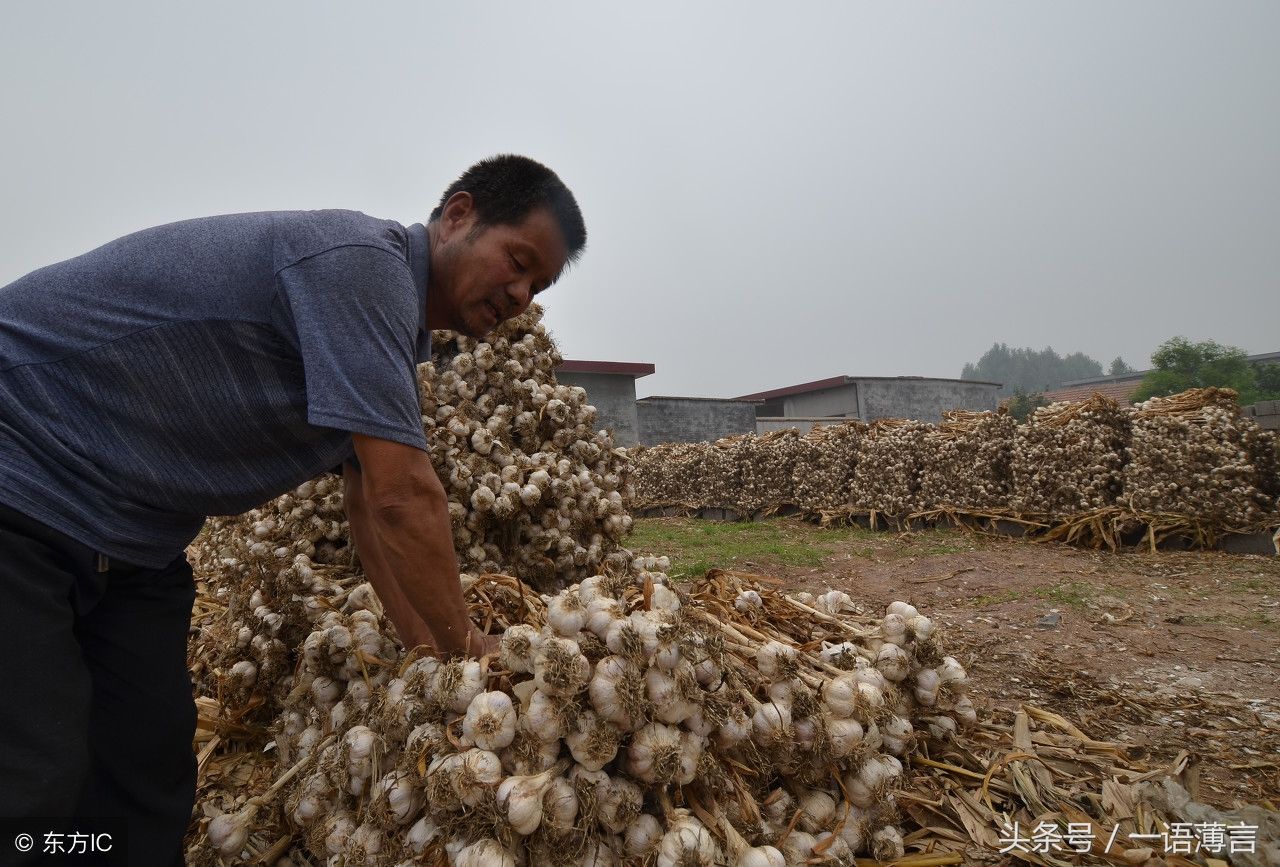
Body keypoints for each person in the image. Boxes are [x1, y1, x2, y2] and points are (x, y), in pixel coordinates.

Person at [0, 154, 585, 865]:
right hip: (23, 474)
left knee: (146, 769)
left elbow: (367, 508)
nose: (521, 294)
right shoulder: (362, 269)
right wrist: (467, 645)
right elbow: (402, 496)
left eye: (538, 286)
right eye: (518, 262)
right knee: (31, 774)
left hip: (133, 536)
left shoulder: (388, 338)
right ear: (458, 216)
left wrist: (430, 656)